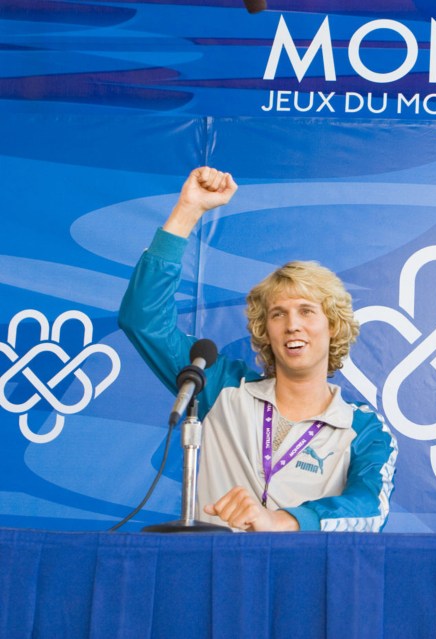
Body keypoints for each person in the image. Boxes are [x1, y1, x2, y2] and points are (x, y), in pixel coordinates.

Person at [119, 167, 397, 532]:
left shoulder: (363, 427)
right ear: (265, 331)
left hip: (303, 583)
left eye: (307, 311)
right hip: (211, 576)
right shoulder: (220, 387)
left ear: (334, 326)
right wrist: (188, 209)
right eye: (278, 314)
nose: (292, 324)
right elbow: (144, 320)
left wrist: (279, 521)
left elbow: (369, 508)